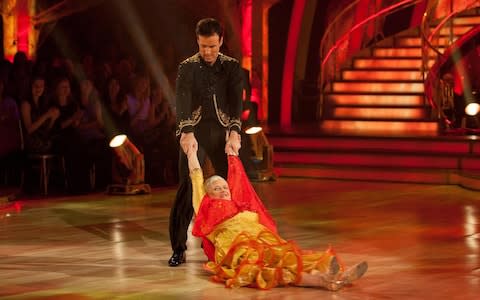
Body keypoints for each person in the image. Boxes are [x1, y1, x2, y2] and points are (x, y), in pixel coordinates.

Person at [186, 145, 368, 290]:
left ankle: (336, 276)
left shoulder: (238, 205)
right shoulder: (206, 207)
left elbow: (237, 180)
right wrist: (191, 154)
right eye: (217, 188)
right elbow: (196, 178)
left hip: (261, 240)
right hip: (238, 250)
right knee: (273, 269)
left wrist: (233, 154)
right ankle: (323, 280)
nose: (223, 190)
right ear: (208, 194)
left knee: (289, 257)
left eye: (225, 187)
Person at [168, 18, 243, 266]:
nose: (208, 52)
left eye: (212, 46)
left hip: (221, 132)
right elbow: (182, 102)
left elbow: (236, 103)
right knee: (187, 188)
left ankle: (226, 243)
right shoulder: (187, 67)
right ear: (197, 41)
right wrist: (186, 132)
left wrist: (234, 132)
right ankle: (179, 248)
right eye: (203, 46)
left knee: (226, 189)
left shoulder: (231, 67)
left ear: (221, 41)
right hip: (195, 133)